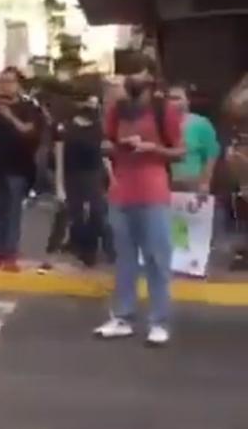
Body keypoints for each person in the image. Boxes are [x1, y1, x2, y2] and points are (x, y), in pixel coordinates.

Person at [94, 57, 184, 346]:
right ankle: (123, 317)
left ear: (150, 76)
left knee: (157, 258)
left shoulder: (163, 110)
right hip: (121, 190)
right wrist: (111, 146)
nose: (131, 78)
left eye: (137, 72)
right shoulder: (117, 110)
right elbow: (105, 142)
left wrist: (151, 147)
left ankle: (159, 321)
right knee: (125, 259)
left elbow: (180, 151)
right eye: (127, 72)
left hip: (153, 191)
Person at [0, 67, 45, 271]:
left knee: (13, 211)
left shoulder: (29, 107)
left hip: (18, 166)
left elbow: (29, 131)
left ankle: (11, 253)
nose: (4, 85)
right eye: (2, 81)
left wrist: (9, 116)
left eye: (9, 81)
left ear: (18, 84)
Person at [53, 90, 113, 268]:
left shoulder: (99, 127)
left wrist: (112, 177)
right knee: (76, 215)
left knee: (97, 212)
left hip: (94, 173)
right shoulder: (65, 127)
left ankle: (93, 251)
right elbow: (59, 156)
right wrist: (59, 185)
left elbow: (103, 154)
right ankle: (79, 249)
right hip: (72, 175)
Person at [167, 82, 219, 195]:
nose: (172, 102)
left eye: (177, 98)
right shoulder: (160, 123)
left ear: (187, 101)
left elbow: (211, 155)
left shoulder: (201, 123)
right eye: (169, 98)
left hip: (192, 181)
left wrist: (205, 182)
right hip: (165, 181)